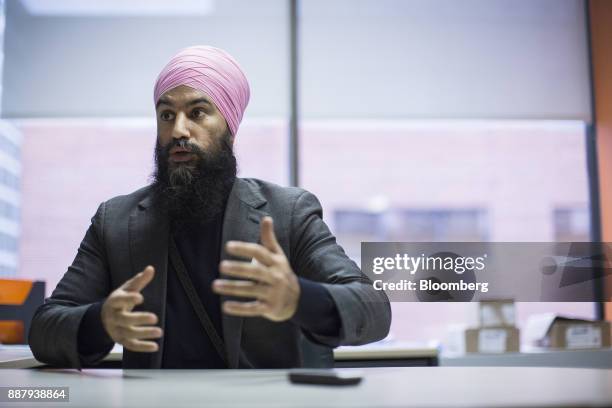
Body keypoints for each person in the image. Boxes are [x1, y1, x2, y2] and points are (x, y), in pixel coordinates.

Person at [28, 45, 391, 369]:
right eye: (167, 115)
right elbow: (45, 327)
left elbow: (373, 309)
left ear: (230, 127)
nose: (178, 131)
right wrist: (101, 321)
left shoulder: (287, 213)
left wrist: (300, 298)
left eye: (198, 112)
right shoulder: (116, 221)